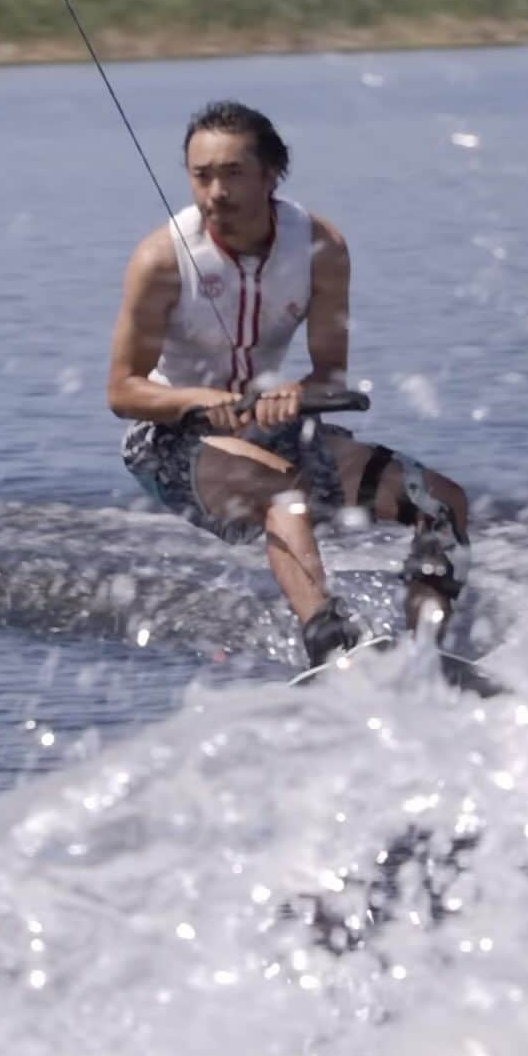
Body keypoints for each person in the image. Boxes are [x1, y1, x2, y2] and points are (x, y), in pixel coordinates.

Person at [107, 99, 469, 670]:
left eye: (232, 174)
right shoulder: (161, 260)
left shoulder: (320, 246)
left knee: (442, 502)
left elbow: (329, 374)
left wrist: (295, 396)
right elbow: (123, 392)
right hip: (170, 441)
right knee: (284, 493)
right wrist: (201, 403)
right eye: (201, 176)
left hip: (273, 430)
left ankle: (429, 653)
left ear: (272, 174)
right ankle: (329, 648)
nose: (215, 194)